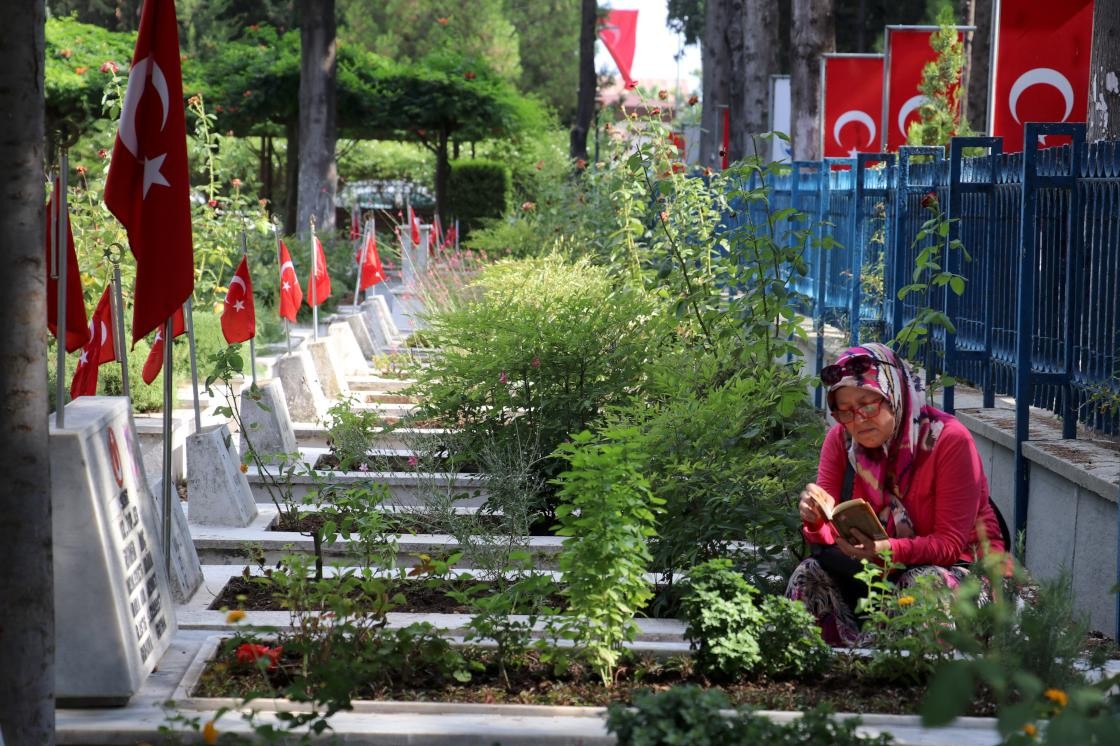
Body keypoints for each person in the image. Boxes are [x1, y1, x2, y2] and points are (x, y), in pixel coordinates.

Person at [785, 342, 1006, 646]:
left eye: (868, 405)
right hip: (873, 572)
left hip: (959, 572)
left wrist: (887, 550)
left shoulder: (949, 440)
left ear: (894, 394)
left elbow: (950, 545)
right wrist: (815, 520)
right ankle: (814, 667)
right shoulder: (841, 440)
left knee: (922, 584)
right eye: (845, 411)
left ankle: (898, 669)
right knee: (808, 574)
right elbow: (827, 540)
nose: (858, 420)